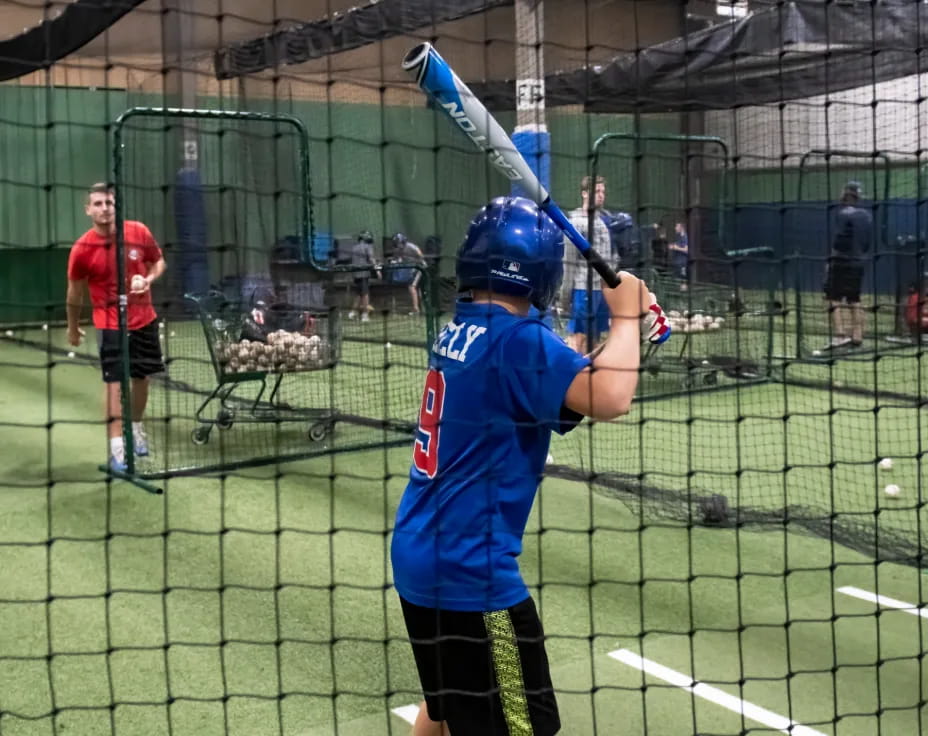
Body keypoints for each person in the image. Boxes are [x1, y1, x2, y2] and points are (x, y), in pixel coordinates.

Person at [391, 196, 654, 736]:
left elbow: (580, 380)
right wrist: (626, 314)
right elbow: (609, 396)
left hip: (420, 558)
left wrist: (628, 332)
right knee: (521, 726)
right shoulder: (519, 341)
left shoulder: (464, 330)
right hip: (474, 578)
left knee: (445, 707)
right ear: (542, 274)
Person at [66, 183, 166, 471]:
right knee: (114, 383)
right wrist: (73, 328)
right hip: (109, 324)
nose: (104, 209)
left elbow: (159, 262)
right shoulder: (82, 249)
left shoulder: (138, 231)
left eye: (108, 203)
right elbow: (74, 293)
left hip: (144, 318)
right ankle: (117, 450)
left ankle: (134, 430)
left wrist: (147, 279)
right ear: (88, 210)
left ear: (116, 206)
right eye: (97, 204)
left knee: (142, 379)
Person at [563, 175, 613, 353]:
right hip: (583, 289)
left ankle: (589, 377)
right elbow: (568, 262)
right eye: (596, 191)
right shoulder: (575, 223)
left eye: (603, 192)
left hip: (601, 291)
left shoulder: (602, 222)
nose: (601, 195)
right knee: (578, 337)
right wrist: (565, 295)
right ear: (584, 194)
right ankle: (570, 376)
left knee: (594, 339)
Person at [822, 181, 872, 350]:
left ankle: (840, 335)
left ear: (845, 195)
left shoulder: (842, 214)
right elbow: (866, 243)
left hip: (841, 261)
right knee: (854, 299)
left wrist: (831, 259)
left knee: (833, 298)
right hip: (859, 262)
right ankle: (857, 337)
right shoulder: (866, 215)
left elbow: (840, 240)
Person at [393, 232, 427, 315]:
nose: (398, 245)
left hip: (419, 268)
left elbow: (420, 255)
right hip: (410, 269)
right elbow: (400, 259)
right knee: (415, 288)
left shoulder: (411, 246)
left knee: (412, 287)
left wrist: (419, 263)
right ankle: (419, 308)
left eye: (399, 243)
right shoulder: (398, 250)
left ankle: (416, 309)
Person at [348, 229, 378, 322]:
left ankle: (352, 313)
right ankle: (365, 315)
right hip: (364, 274)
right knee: (365, 295)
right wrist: (377, 270)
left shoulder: (354, 247)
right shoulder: (367, 246)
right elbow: (371, 259)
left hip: (356, 274)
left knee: (359, 294)